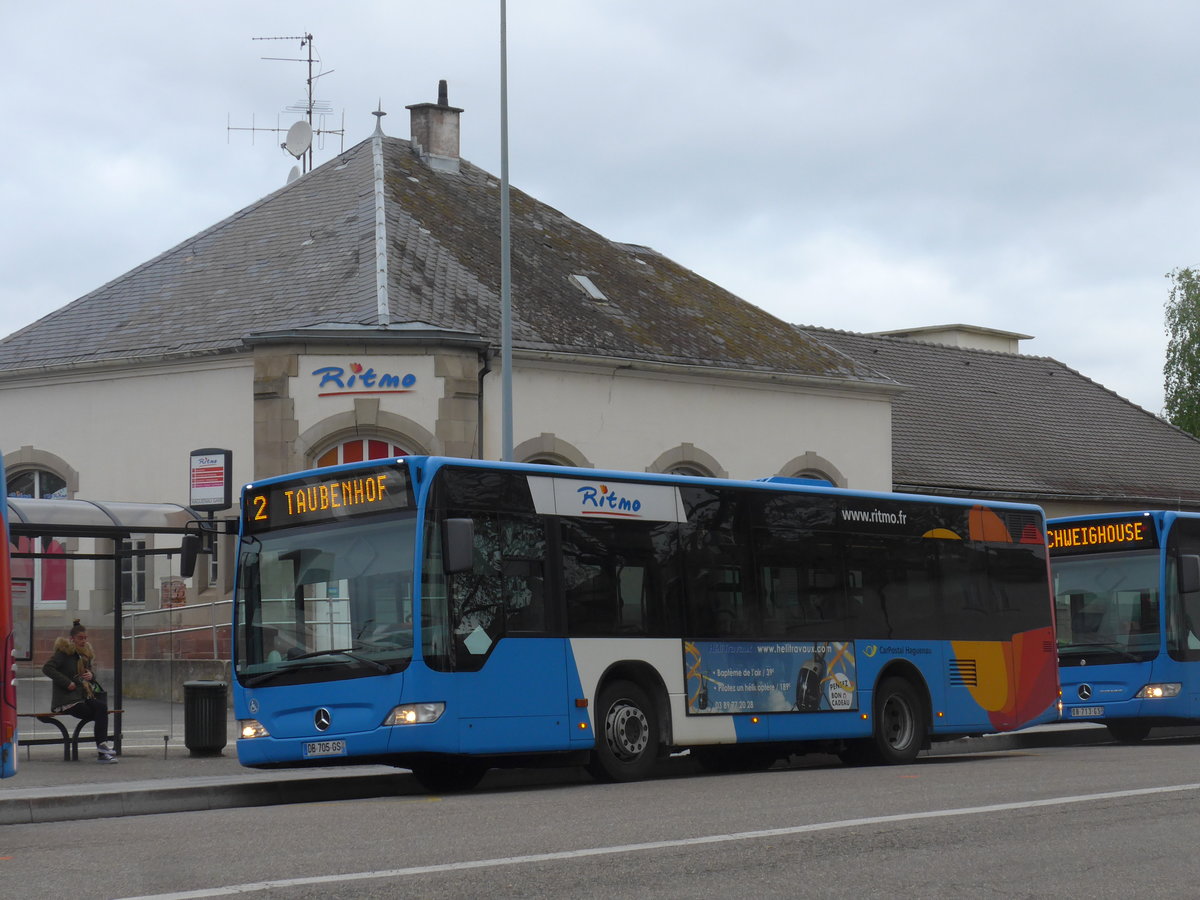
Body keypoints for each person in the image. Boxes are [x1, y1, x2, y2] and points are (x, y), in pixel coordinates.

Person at [42, 619, 117, 763]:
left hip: (83, 696)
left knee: (101, 708)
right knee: (97, 713)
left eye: (85, 638)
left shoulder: (85, 655)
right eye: (80, 638)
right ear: (72, 639)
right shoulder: (64, 653)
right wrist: (67, 682)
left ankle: (102, 748)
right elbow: (47, 668)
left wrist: (91, 675)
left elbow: (89, 674)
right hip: (67, 699)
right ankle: (102, 752)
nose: (83, 641)